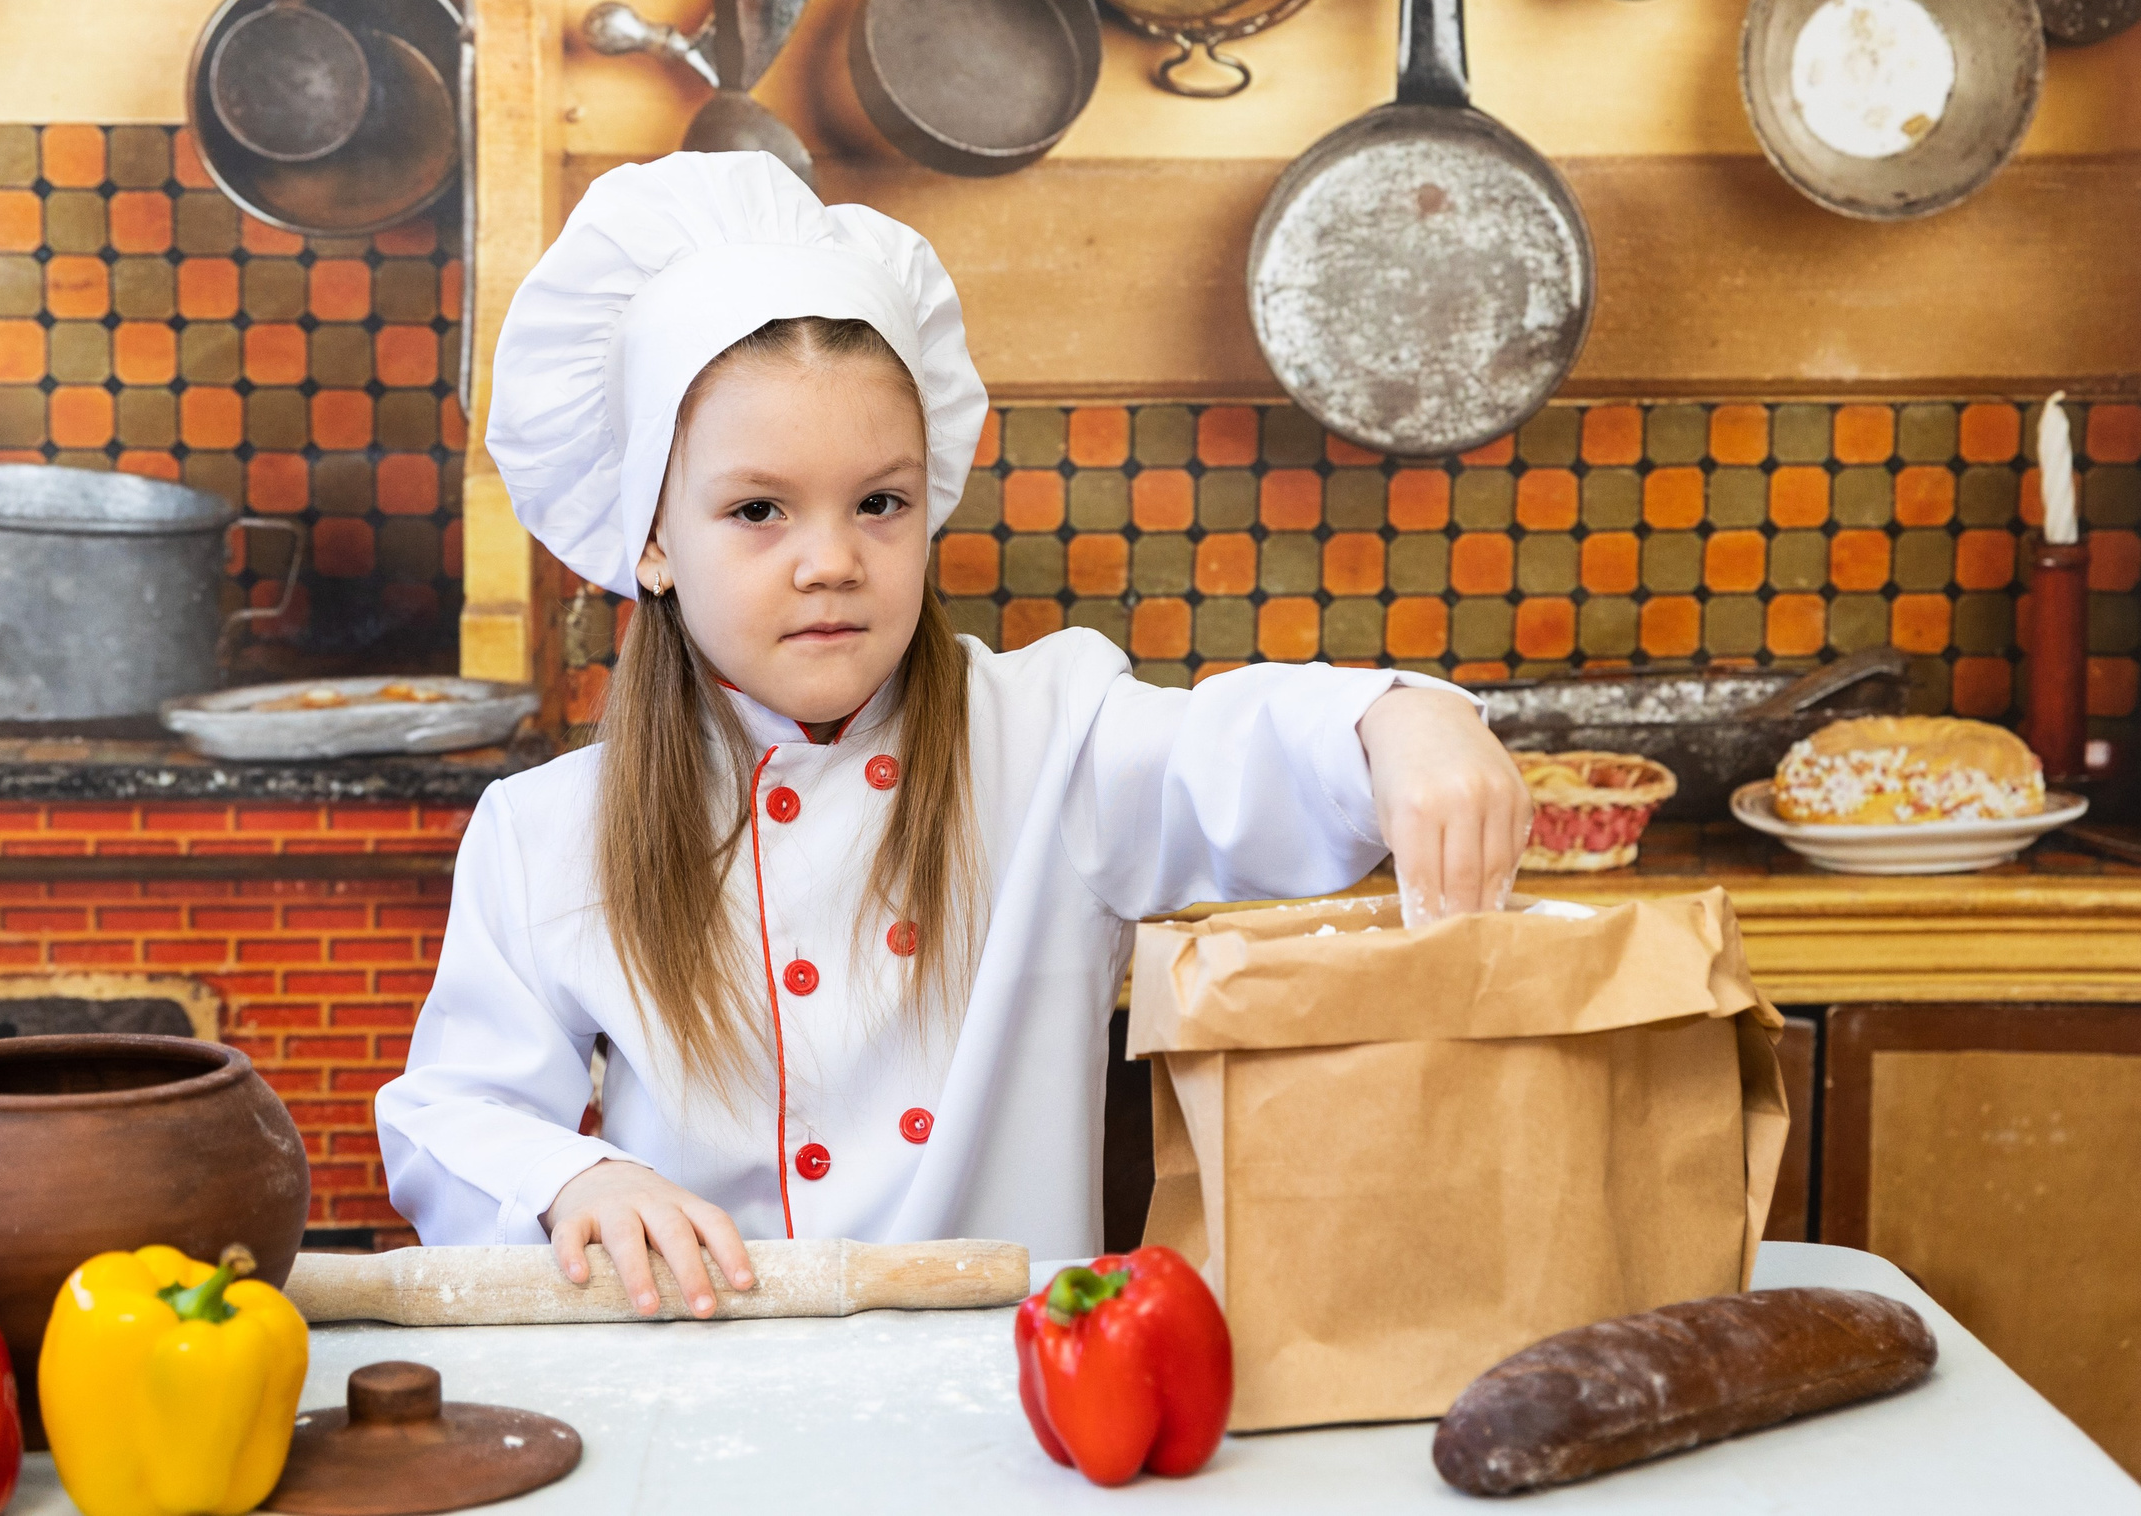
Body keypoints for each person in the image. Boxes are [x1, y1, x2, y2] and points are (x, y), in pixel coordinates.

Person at [377, 152, 1531, 1318]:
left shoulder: (1049, 741)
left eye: (878, 501)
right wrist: (580, 1172)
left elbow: (1225, 754)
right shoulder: (544, 831)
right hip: (698, 1391)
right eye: (757, 509)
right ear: (652, 541)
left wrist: (1396, 716)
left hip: (1017, 1399)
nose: (829, 557)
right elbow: (448, 1116)